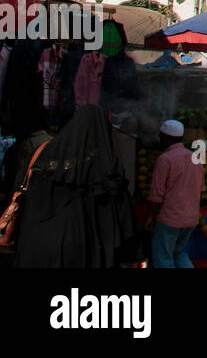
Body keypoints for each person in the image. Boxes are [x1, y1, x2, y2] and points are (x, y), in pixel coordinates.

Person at [14, 105, 135, 269]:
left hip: (35, 245)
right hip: (80, 249)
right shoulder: (104, 170)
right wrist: (136, 253)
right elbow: (121, 218)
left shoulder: (42, 156)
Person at [145, 118, 203, 269]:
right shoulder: (196, 158)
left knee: (163, 257)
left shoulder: (165, 159)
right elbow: (201, 189)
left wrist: (151, 217)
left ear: (165, 137)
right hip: (190, 219)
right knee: (178, 253)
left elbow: (156, 194)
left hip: (169, 219)